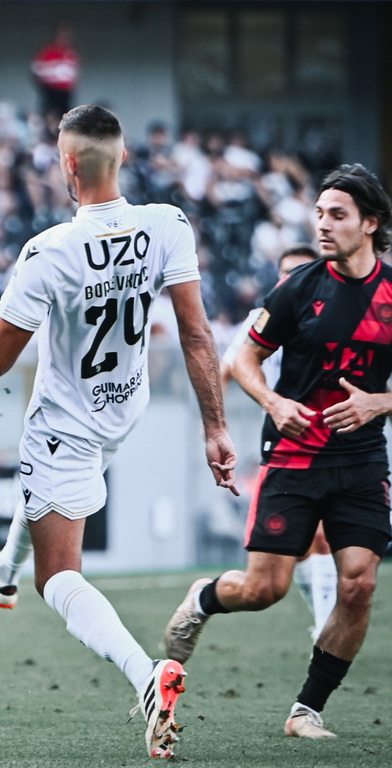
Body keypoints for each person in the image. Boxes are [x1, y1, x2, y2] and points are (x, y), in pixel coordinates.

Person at [0, 105, 238, 759]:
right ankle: (0, 569)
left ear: (68, 166)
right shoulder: (167, 224)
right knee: (40, 500)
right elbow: (197, 334)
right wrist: (216, 428)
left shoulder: (48, 251)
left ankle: (146, 679)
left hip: (65, 423)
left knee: (57, 577)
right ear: (124, 157)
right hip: (125, 408)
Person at [164, 163, 392, 740]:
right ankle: (204, 598)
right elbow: (240, 359)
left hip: (361, 462)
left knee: (359, 582)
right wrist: (273, 403)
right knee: (265, 589)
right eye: (318, 213)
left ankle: (306, 711)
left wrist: (379, 403)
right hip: (293, 457)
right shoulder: (299, 287)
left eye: (336, 215)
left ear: (370, 223)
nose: (321, 224)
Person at [220, 245, 337, 643]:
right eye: (285, 272)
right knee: (297, 549)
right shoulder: (263, 318)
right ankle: (322, 616)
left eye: (300, 271)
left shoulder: (333, 315)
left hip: (337, 438)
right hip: (284, 439)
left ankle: (325, 625)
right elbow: (228, 368)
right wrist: (217, 427)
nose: (291, 280)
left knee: (321, 536)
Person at [31, 21, 80, 120]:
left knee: (67, 119)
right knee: (49, 117)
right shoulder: (47, 51)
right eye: (61, 35)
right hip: (50, 91)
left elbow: (75, 73)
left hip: (66, 93)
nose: (64, 38)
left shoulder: (72, 52)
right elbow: (36, 72)